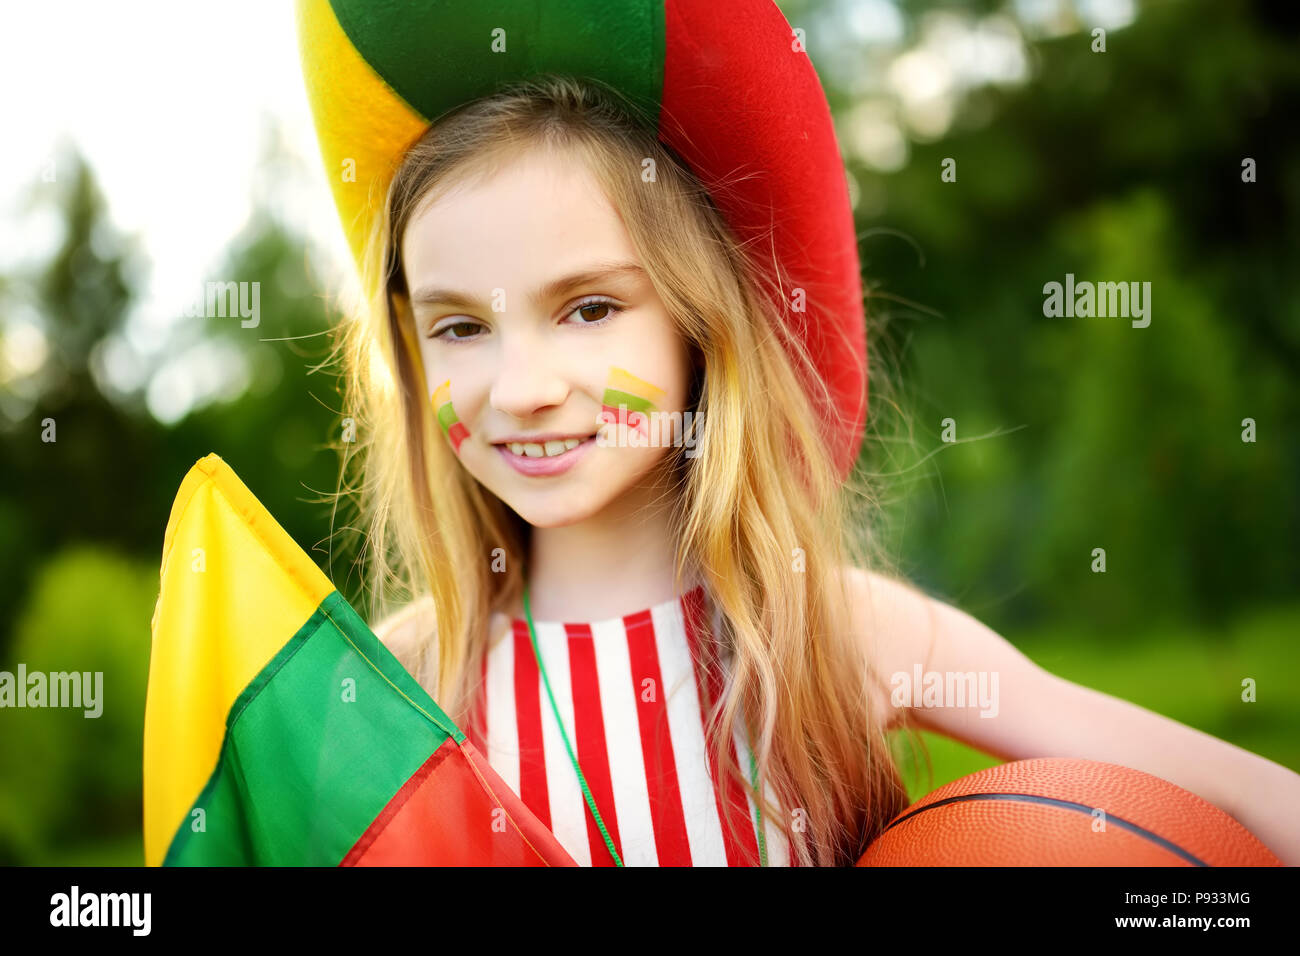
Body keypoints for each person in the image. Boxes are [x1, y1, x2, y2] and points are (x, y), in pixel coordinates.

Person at [298, 7, 1300, 868]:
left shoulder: (833, 631)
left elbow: (1243, 795)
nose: (519, 387)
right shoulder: (398, 683)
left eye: (590, 307)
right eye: (460, 325)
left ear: (699, 322)